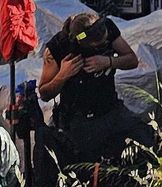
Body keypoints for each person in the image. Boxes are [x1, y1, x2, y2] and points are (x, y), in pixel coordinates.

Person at [38, 11, 152, 163]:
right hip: (79, 119)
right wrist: (63, 75)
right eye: (98, 45)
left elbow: (132, 60)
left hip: (111, 110)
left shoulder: (107, 28)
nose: (104, 44)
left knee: (146, 143)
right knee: (86, 165)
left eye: (105, 42)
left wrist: (109, 61)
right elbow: (44, 93)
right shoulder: (59, 47)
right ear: (83, 42)